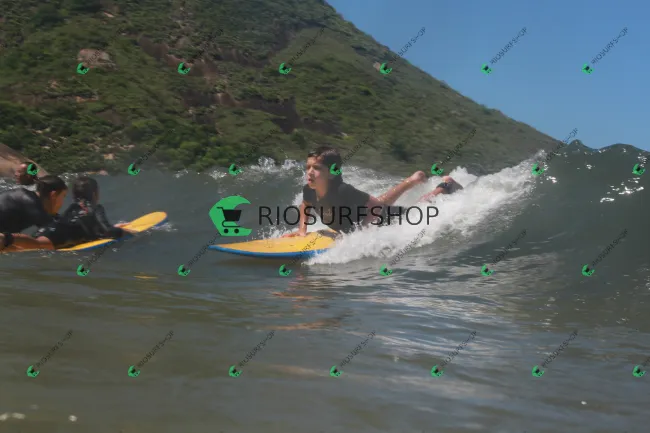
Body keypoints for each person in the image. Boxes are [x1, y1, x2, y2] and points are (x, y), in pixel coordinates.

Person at [282, 146, 427, 237]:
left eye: (317, 168)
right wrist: (302, 230)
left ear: (331, 173)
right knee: (380, 201)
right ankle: (412, 180)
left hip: (382, 217)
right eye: (308, 167)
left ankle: (434, 193)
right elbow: (305, 205)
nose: (310, 172)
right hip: (367, 209)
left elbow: (376, 207)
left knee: (414, 210)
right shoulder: (309, 190)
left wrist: (361, 232)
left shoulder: (342, 190)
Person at [0, 176, 134, 251]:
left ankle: (6, 241)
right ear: (95, 194)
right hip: (60, 234)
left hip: (51, 230)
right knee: (38, 244)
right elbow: (107, 231)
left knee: (34, 244)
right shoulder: (95, 208)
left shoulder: (72, 208)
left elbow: (62, 222)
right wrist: (124, 232)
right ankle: (5, 238)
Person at [0, 175, 68, 233]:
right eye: (63, 196)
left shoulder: (25, 196)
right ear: (53, 195)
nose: (62, 202)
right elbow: (57, 230)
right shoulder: (34, 207)